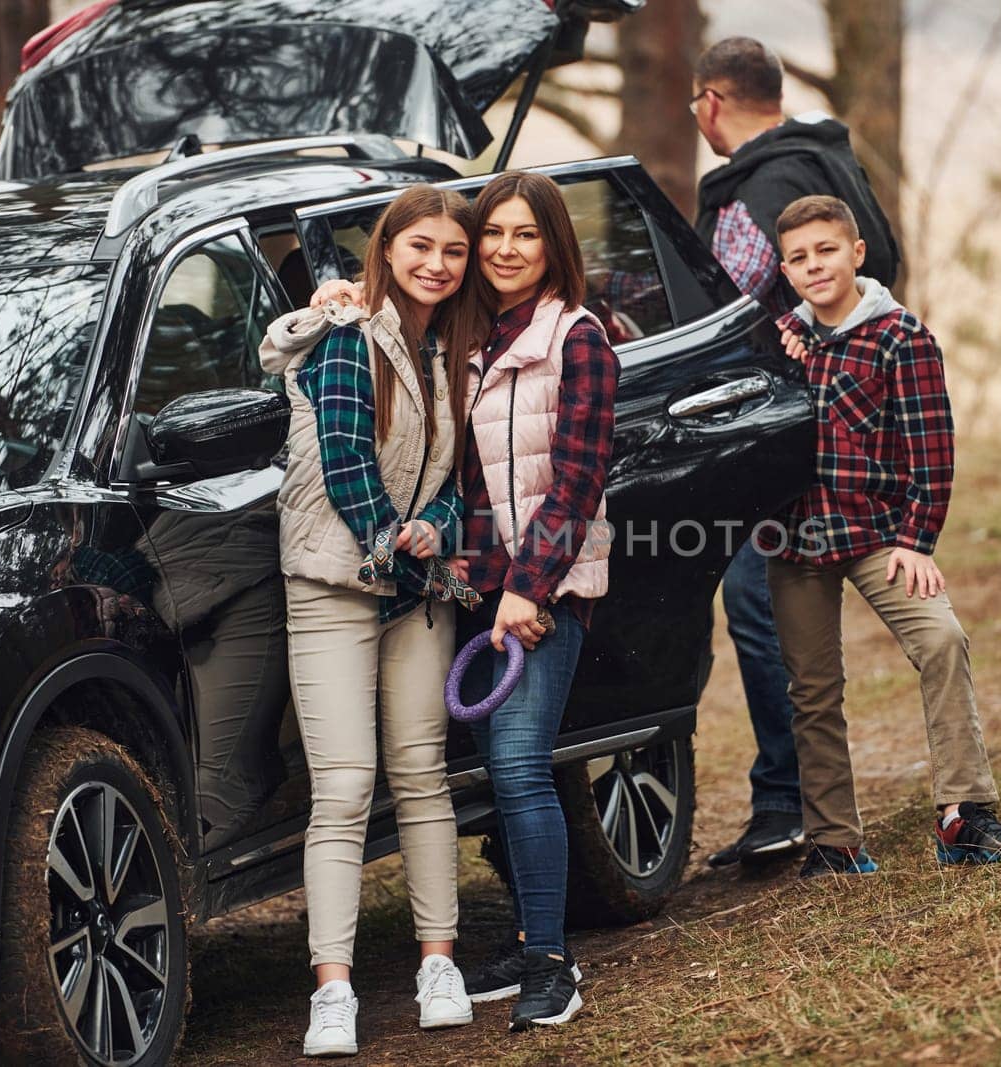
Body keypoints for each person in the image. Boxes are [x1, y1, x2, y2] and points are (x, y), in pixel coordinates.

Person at [310, 172, 619, 1031]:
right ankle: (530, 937)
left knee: (520, 766)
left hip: (541, 591)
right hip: (473, 590)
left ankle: (552, 963)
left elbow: (578, 479)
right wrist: (337, 294)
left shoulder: (577, 339)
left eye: (526, 235)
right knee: (496, 769)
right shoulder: (469, 338)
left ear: (554, 245)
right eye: (495, 235)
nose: (505, 249)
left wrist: (528, 585)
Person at [263, 184, 488, 1057]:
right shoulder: (346, 338)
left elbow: (469, 474)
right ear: (386, 250)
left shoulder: (457, 353)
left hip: (416, 588)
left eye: (453, 251)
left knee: (423, 775)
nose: (437, 264)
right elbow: (349, 458)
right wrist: (399, 537)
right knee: (348, 786)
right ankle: (334, 989)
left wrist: (447, 524)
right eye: (420, 246)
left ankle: (439, 965)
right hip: (335, 583)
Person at [764, 194, 1001, 878]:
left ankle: (963, 814)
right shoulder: (779, 341)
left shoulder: (900, 337)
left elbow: (932, 449)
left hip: (881, 531)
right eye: (798, 257)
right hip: (796, 539)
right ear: (785, 269)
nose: (813, 265)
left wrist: (918, 539)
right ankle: (835, 841)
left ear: (856, 253)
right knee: (812, 689)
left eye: (826, 250)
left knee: (941, 639)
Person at [689, 36, 902, 868]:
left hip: (785, 431)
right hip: (857, 418)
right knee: (795, 606)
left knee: (760, 601)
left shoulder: (753, 193)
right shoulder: (834, 162)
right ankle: (800, 799)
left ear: (711, 101)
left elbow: (720, 309)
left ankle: (790, 801)